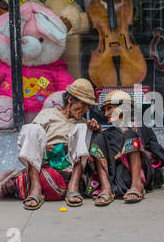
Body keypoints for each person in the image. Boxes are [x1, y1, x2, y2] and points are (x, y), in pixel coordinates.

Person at [17, 78, 102, 210]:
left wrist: (96, 129)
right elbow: (32, 139)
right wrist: (44, 147)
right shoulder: (47, 114)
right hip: (46, 158)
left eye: (88, 107)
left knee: (83, 128)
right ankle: (35, 187)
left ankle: (73, 186)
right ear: (70, 100)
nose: (85, 109)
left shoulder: (84, 123)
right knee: (31, 128)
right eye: (83, 104)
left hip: (69, 160)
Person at [85, 90, 164, 206]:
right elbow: (106, 160)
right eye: (105, 110)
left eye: (110, 109)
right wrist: (115, 158)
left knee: (130, 135)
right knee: (97, 137)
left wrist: (131, 153)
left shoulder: (142, 128)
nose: (106, 114)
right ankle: (106, 188)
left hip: (140, 174)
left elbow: (157, 155)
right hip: (117, 177)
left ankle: (137, 186)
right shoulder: (107, 134)